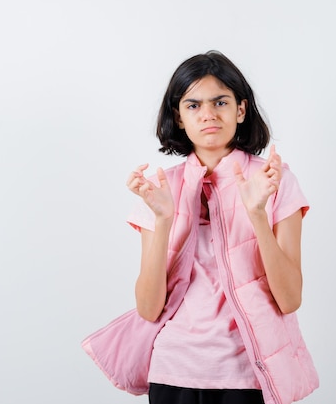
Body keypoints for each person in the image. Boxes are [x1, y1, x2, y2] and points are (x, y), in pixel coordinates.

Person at [116, 51, 317, 404]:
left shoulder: (274, 181)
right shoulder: (160, 189)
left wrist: (256, 215)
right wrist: (164, 219)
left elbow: (290, 299)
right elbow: (148, 309)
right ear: (178, 117)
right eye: (192, 105)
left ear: (240, 110)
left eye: (220, 102)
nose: (207, 114)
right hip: (172, 371)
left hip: (248, 373)